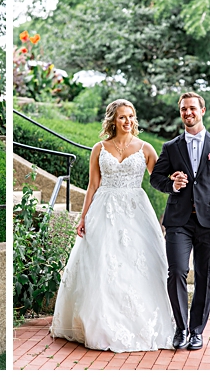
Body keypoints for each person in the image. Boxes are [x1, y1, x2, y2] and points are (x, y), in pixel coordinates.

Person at [50, 99, 174, 352]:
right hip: (103, 210)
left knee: (137, 264)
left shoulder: (145, 148)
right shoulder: (100, 148)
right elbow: (93, 186)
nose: (127, 121)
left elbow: (160, 179)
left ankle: (140, 322)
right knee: (101, 264)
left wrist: (175, 181)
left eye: (131, 116)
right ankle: (100, 324)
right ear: (113, 121)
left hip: (135, 210)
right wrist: (83, 216)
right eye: (122, 117)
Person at [150, 92, 210, 350]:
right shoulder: (171, 147)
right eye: (183, 109)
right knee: (176, 271)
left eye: (192, 108)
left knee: (205, 276)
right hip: (178, 221)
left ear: (202, 110)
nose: (187, 113)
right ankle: (181, 328)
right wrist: (172, 184)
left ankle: (197, 330)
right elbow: (155, 179)